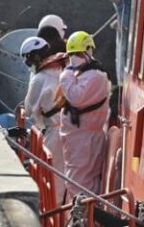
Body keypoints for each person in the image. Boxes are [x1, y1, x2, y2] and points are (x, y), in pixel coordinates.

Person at [59, 31, 111, 201]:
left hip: (85, 137)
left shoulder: (95, 76)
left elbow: (75, 97)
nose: (74, 58)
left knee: (78, 182)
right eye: (72, 54)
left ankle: (84, 213)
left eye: (77, 54)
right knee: (83, 179)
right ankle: (87, 212)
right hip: (80, 136)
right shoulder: (86, 74)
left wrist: (66, 73)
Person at [20, 36, 66, 204]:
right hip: (72, 128)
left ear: (35, 57)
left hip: (54, 131)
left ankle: (54, 212)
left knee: (53, 178)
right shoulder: (63, 69)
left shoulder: (39, 78)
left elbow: (29, 109)